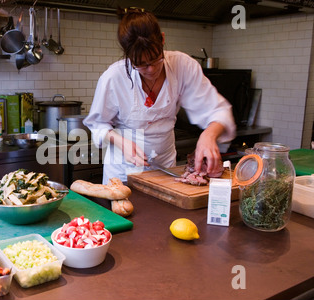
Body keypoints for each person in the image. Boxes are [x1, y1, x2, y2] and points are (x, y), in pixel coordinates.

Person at [83, 8, 236, 184]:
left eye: (156, 59)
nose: (151, 70)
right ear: (128, 56)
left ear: (162, 39)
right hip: (123, 174)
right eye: (140, 65)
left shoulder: (183, 66)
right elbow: (97, 123)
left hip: (165, 171)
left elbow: (217, 110)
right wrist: (119, 141)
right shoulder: (114, 77)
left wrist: (208, 135)